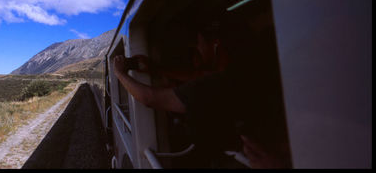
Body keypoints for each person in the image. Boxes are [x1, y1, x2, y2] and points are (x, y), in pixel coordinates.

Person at [112, 21, 291, 168]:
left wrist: (119, 73)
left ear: (215, 44)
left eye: (200, 42)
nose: (198, 48)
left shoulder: (216, 85)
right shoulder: (251, 75)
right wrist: (157, 68)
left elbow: (149, 98)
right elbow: (196, 76)